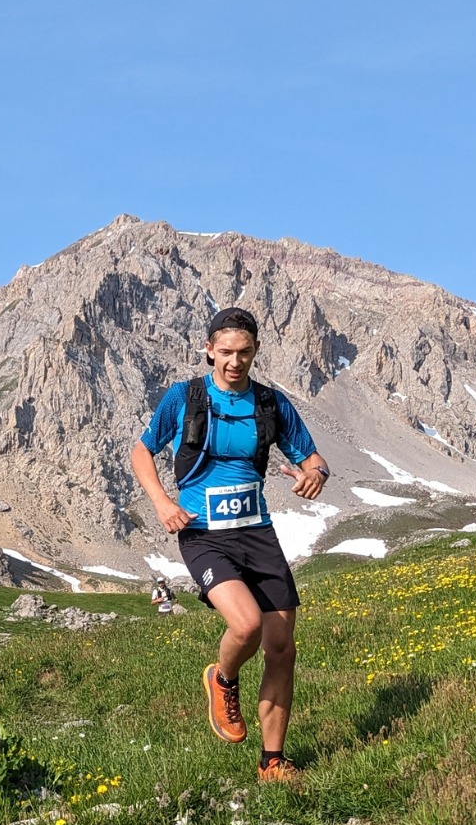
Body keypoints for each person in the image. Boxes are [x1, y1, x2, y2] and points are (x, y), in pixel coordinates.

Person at [130, 307, 331, 783]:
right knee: (246, 627)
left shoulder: (271, 404)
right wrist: (161, 502)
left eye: (244, 353)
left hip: (256, 531)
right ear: (209, 350)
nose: (234, 362)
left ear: (256, 350)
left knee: (282, 648)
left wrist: (315, 475)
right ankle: (222, 679)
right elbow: (142, 451)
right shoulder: (183, 398)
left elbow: (313, 457)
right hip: (202, 533)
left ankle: (273, 762)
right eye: (225, 353)